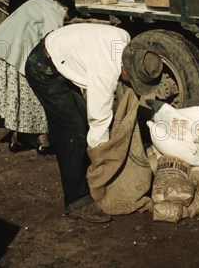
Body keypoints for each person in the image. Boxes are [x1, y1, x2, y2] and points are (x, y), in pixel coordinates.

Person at [25, 23, 164, 223]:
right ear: (124, 68)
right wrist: (104, 160)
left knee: (77, 121)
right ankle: (76, 201)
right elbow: (99, 121)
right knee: (74, 130)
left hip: (58, 52)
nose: (130, 84)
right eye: (131, 79)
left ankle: (75, 162)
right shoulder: (105, 72)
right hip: (42, 68)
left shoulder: (124, 40)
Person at [0, 0, 77, 153]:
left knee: (15, 96)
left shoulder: (36, 2)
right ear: (65, 9)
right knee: (36, 92)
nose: (64, 20)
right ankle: (43, 139)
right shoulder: (54, 9)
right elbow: (53, 39)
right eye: (66, 18)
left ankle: (18, 138)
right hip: (12, 50)